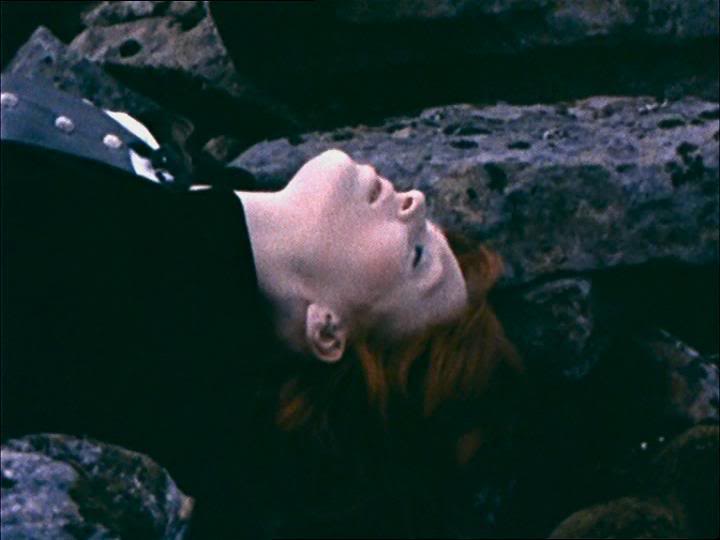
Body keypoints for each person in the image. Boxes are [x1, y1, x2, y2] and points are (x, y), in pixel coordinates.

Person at [1, 70, 523, 537]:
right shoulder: (178, 198)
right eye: (431, 231)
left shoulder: (109, 304)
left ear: (327, 331)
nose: (417, 202)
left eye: (417, 257)